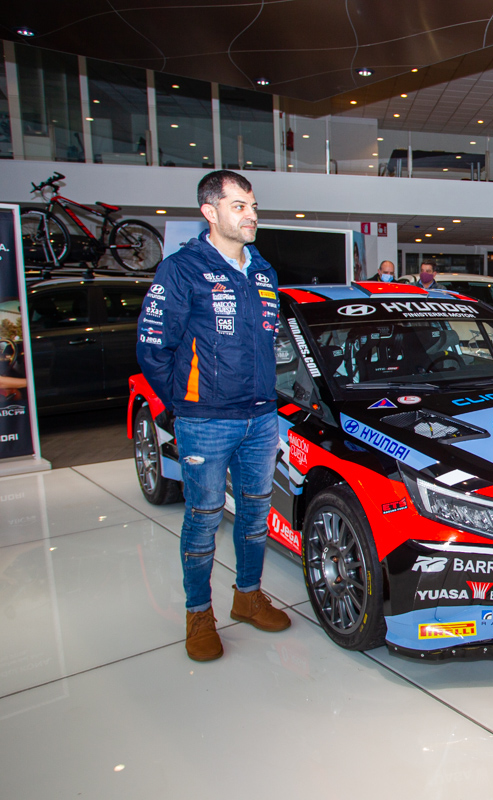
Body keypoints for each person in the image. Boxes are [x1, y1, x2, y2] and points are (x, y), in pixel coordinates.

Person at [136, 170, 290, 662]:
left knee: (255, 515)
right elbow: (153, 348)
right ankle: (198, 613)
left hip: (261, 418)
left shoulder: (263, 271)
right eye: (239, 206)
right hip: (205, 421)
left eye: (253, 206)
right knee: (203, 519)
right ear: (210, 211)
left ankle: (248, 596)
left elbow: (271, 343)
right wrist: (185, 405)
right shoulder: (182, 270)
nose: (252, 215)